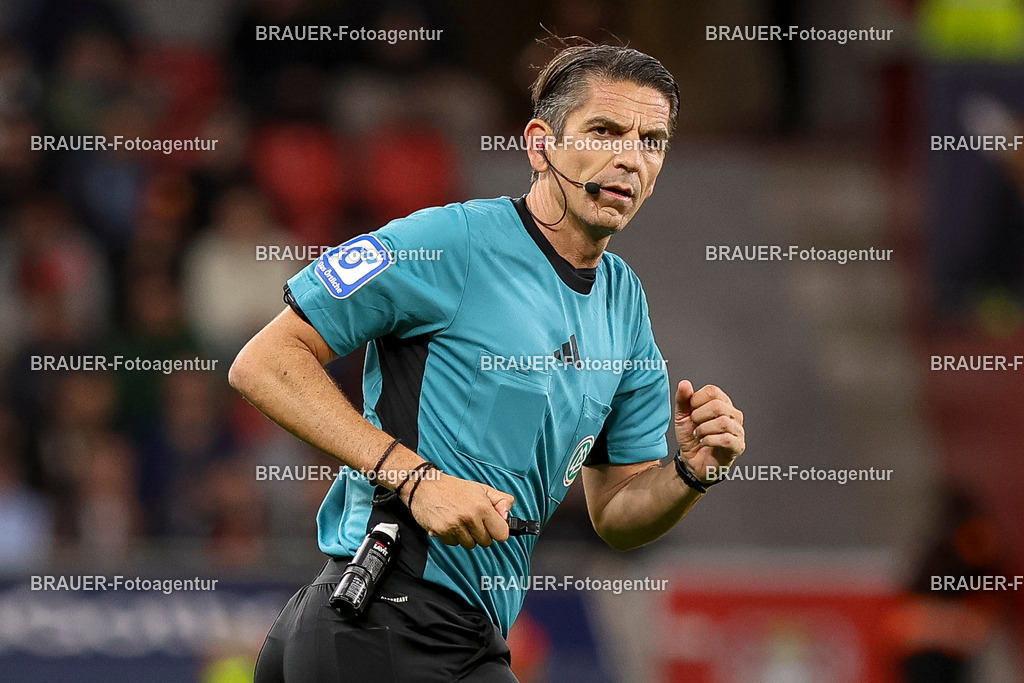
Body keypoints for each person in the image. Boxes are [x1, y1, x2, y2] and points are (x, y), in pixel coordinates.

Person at [231, 41, 746, 682]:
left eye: (652, 140)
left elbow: (616, 514)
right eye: (605, 131)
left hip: (462, 633)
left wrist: (691, 473)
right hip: (380, 616)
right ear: (538, 144)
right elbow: (264, 360)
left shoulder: (625, 303)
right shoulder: (452, 243)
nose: (629, 158)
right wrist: (416, 478)